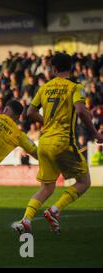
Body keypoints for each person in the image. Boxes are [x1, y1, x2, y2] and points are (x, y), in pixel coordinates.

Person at [12, 53, 103, 235]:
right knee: (84, 182)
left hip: (44, 142)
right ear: (70, 68)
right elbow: (81, 111)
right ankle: (54, 211)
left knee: (47, 187)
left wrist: (47, 121)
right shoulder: (75, 87)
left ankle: (26, 221)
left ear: (53, 69)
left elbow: (29, 112)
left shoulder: (44, 88)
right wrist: (95, 133)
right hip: (62, 142)